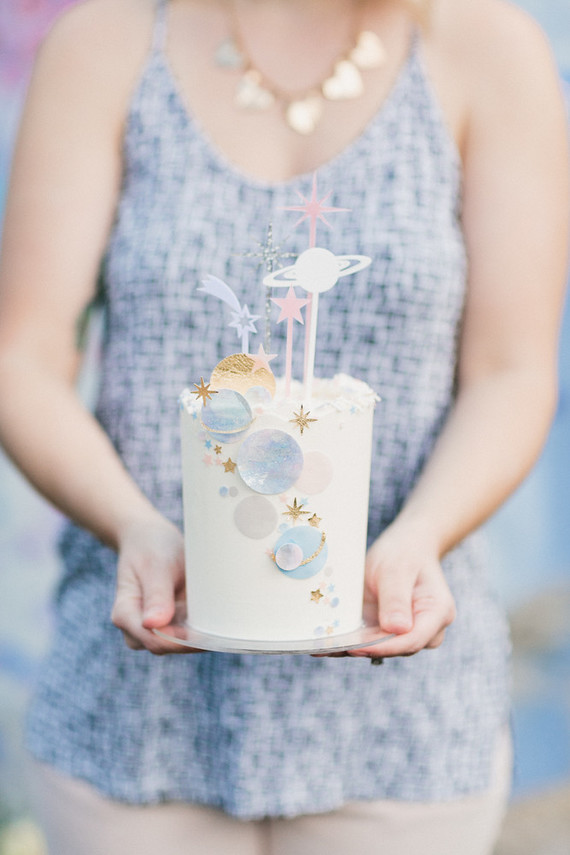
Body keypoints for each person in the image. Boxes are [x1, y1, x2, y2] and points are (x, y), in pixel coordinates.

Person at [0, 0, 568, 852]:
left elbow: (511, 369)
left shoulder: (488, 48)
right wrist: (134, 528)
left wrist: (422, 535)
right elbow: (24, 357)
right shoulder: (107, 41)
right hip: (134, 717)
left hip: (402, 725)